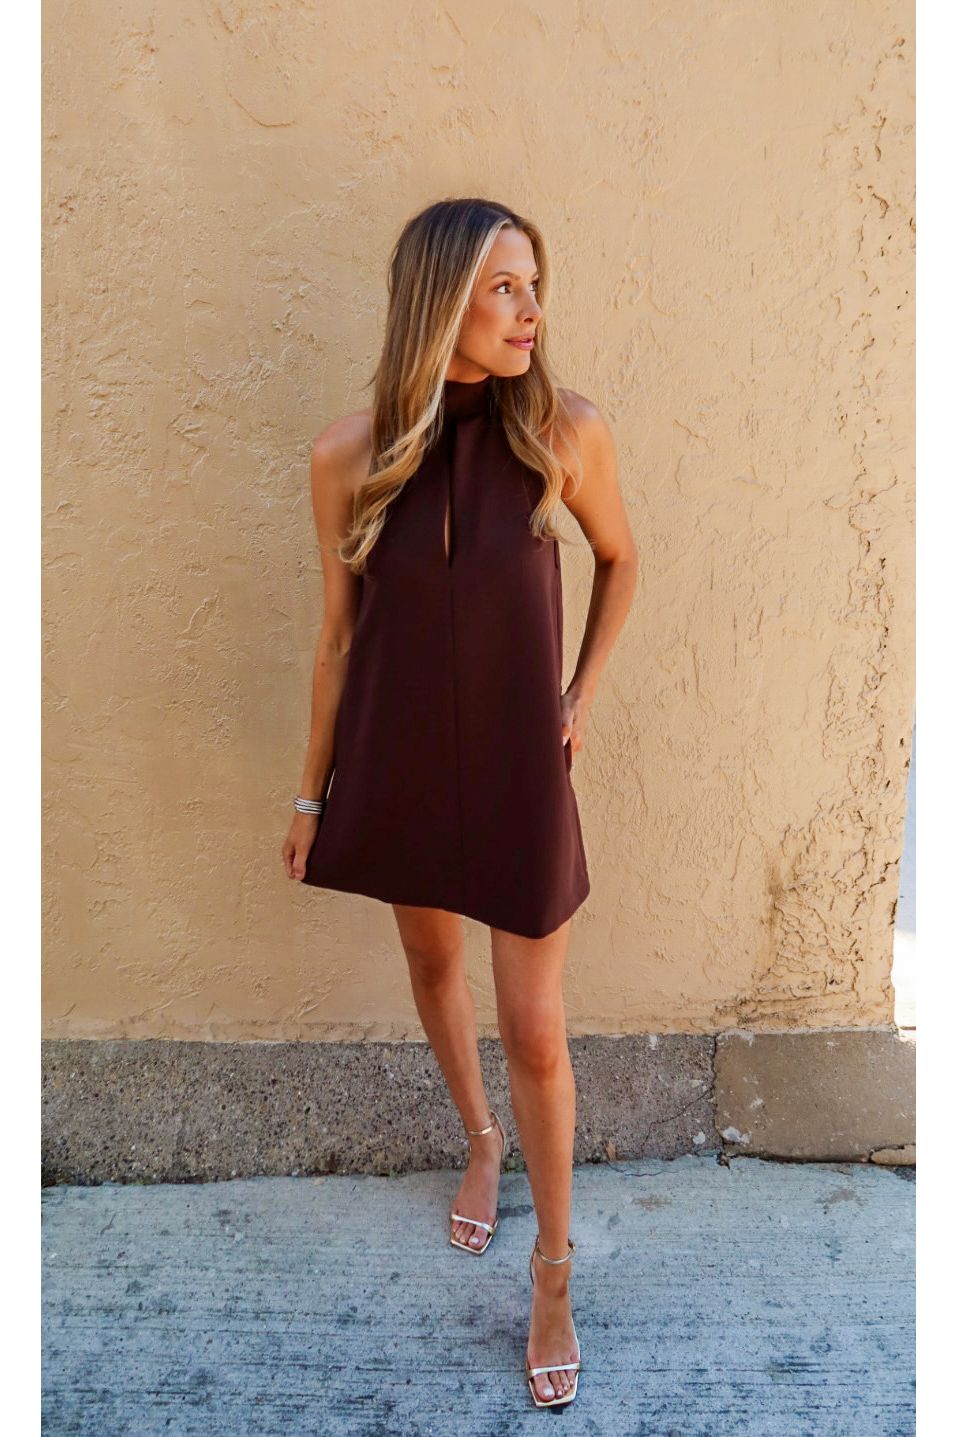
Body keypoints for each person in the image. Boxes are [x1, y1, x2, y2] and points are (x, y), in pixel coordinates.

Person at [282, 196, 637, 1408]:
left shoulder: (563, 433)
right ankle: (480, 1142)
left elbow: (622, 559)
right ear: (440, 301)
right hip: (398, 761)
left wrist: (577, 694)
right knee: (433, 966)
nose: (531, 311)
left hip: (518, 771)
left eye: (535, 285)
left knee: (536, 1029)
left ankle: (553, 1271)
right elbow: (338, 640)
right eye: (503, 288)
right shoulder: (348, 455)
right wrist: (311, 795)